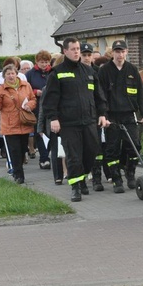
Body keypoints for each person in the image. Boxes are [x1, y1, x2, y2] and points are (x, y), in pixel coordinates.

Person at [41, 37, 109, 202]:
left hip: (89, 121)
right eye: (73, 49)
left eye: (78, 48)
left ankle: (82, 176)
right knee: (73, 156)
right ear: (65, 51)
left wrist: (102, 114)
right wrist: (53, 119)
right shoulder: (57, 72)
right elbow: (49, 100)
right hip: (68, 123)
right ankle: (76, 187)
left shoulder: (90, 72)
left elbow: (99, 96)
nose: (77, 51)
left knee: (91, 152)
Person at [98, 39, 143, 193]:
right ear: (112, 53)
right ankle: (116, 179)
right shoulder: (105, 71)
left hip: (129, 115)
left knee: (134, 146)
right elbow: (100, 95)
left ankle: (131, 173)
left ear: (126, 52)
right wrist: (103, 115)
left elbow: (141, 94)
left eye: (122, 51)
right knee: (112, 149)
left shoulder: (132, 70)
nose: (120, 54)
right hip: (112, 116)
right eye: (117, 51)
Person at [0, 64, 36, 184]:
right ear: (4, 75)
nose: (11, 76)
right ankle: (19, 175)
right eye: (8, 74)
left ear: (17, 74)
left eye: (13, 73)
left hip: (24, 122)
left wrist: (29, 105)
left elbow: (33, 99)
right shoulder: (1, 88)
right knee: (14, 150)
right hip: (10, 124)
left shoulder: (26, 85)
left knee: (22, 149)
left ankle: (17, 169)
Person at [25, 50, 53, 170]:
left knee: (51, 132)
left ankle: (47, 152)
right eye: (42, 62)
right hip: (36, 107)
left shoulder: (52, 72)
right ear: (37, 62)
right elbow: (26, 89)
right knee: (39, 132)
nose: (44, 64)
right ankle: (44, 158)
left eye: (46, 62)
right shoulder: (30, 74)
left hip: (50, 106)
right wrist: (36, 92)